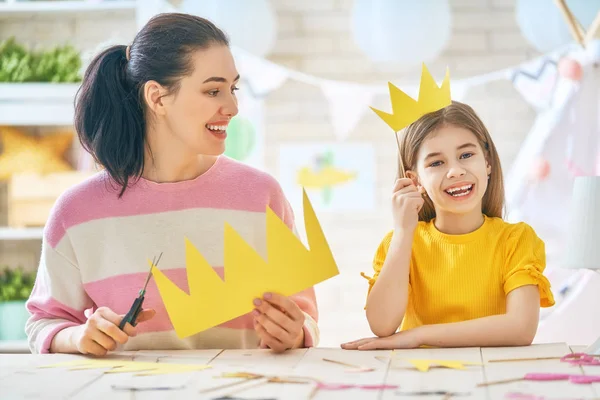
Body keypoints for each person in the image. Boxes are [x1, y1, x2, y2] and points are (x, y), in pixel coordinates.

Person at [25, 13, 319, 355]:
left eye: (233, 88)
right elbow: (43, 322)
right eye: (213, 90)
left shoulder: (261, 195)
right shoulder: (77, 212)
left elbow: (306, 318)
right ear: (158, 98)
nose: (233, 106)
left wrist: (296, 334)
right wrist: (77, 337)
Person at [342, 101, 555, 350]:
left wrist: (420, 335)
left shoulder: (516, 240)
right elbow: (381, 325)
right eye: (436, 163)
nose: (455, 171)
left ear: (487, 163)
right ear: (415, 180)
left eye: (466, 155)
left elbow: (521, 328)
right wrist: (403, 231)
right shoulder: (400, 242)